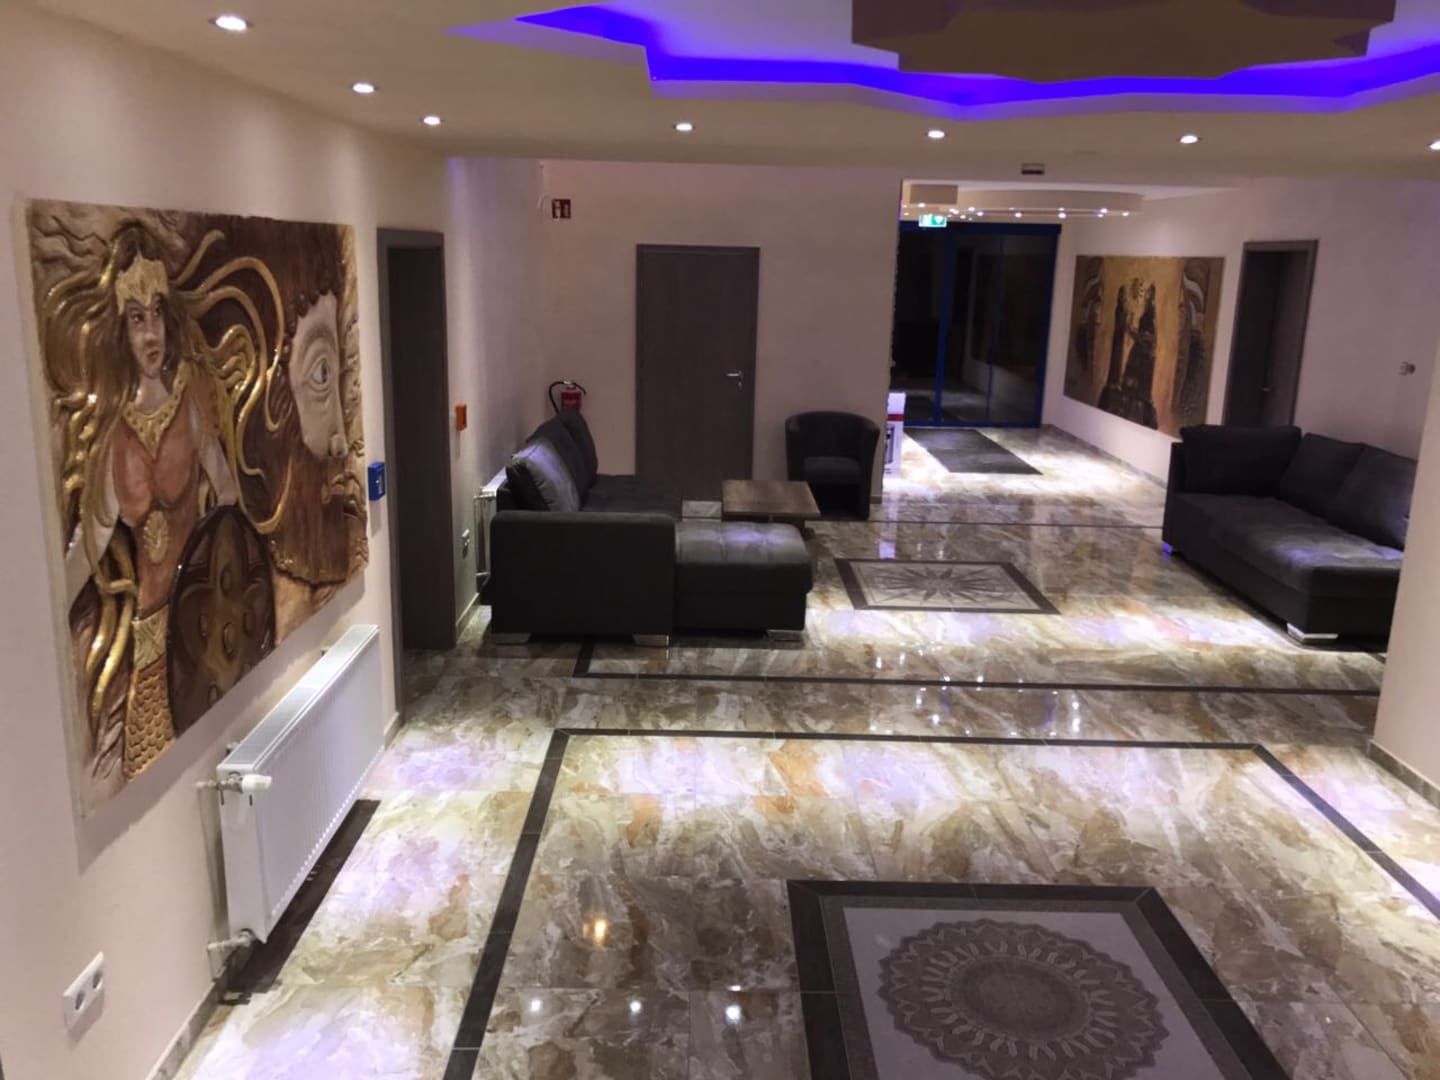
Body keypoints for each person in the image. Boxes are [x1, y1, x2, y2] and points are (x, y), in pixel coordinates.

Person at [47, 223, 237, 786]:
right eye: (136, 319)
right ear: (120, 332)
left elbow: (227, 494)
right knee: (156, 769)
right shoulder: (113, 445)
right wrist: (39, 624)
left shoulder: (190, 405)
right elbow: (86, 553)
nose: (151, 333)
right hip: (152, 644)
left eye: (156, 314)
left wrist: (220, 573)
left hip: (205, 622)